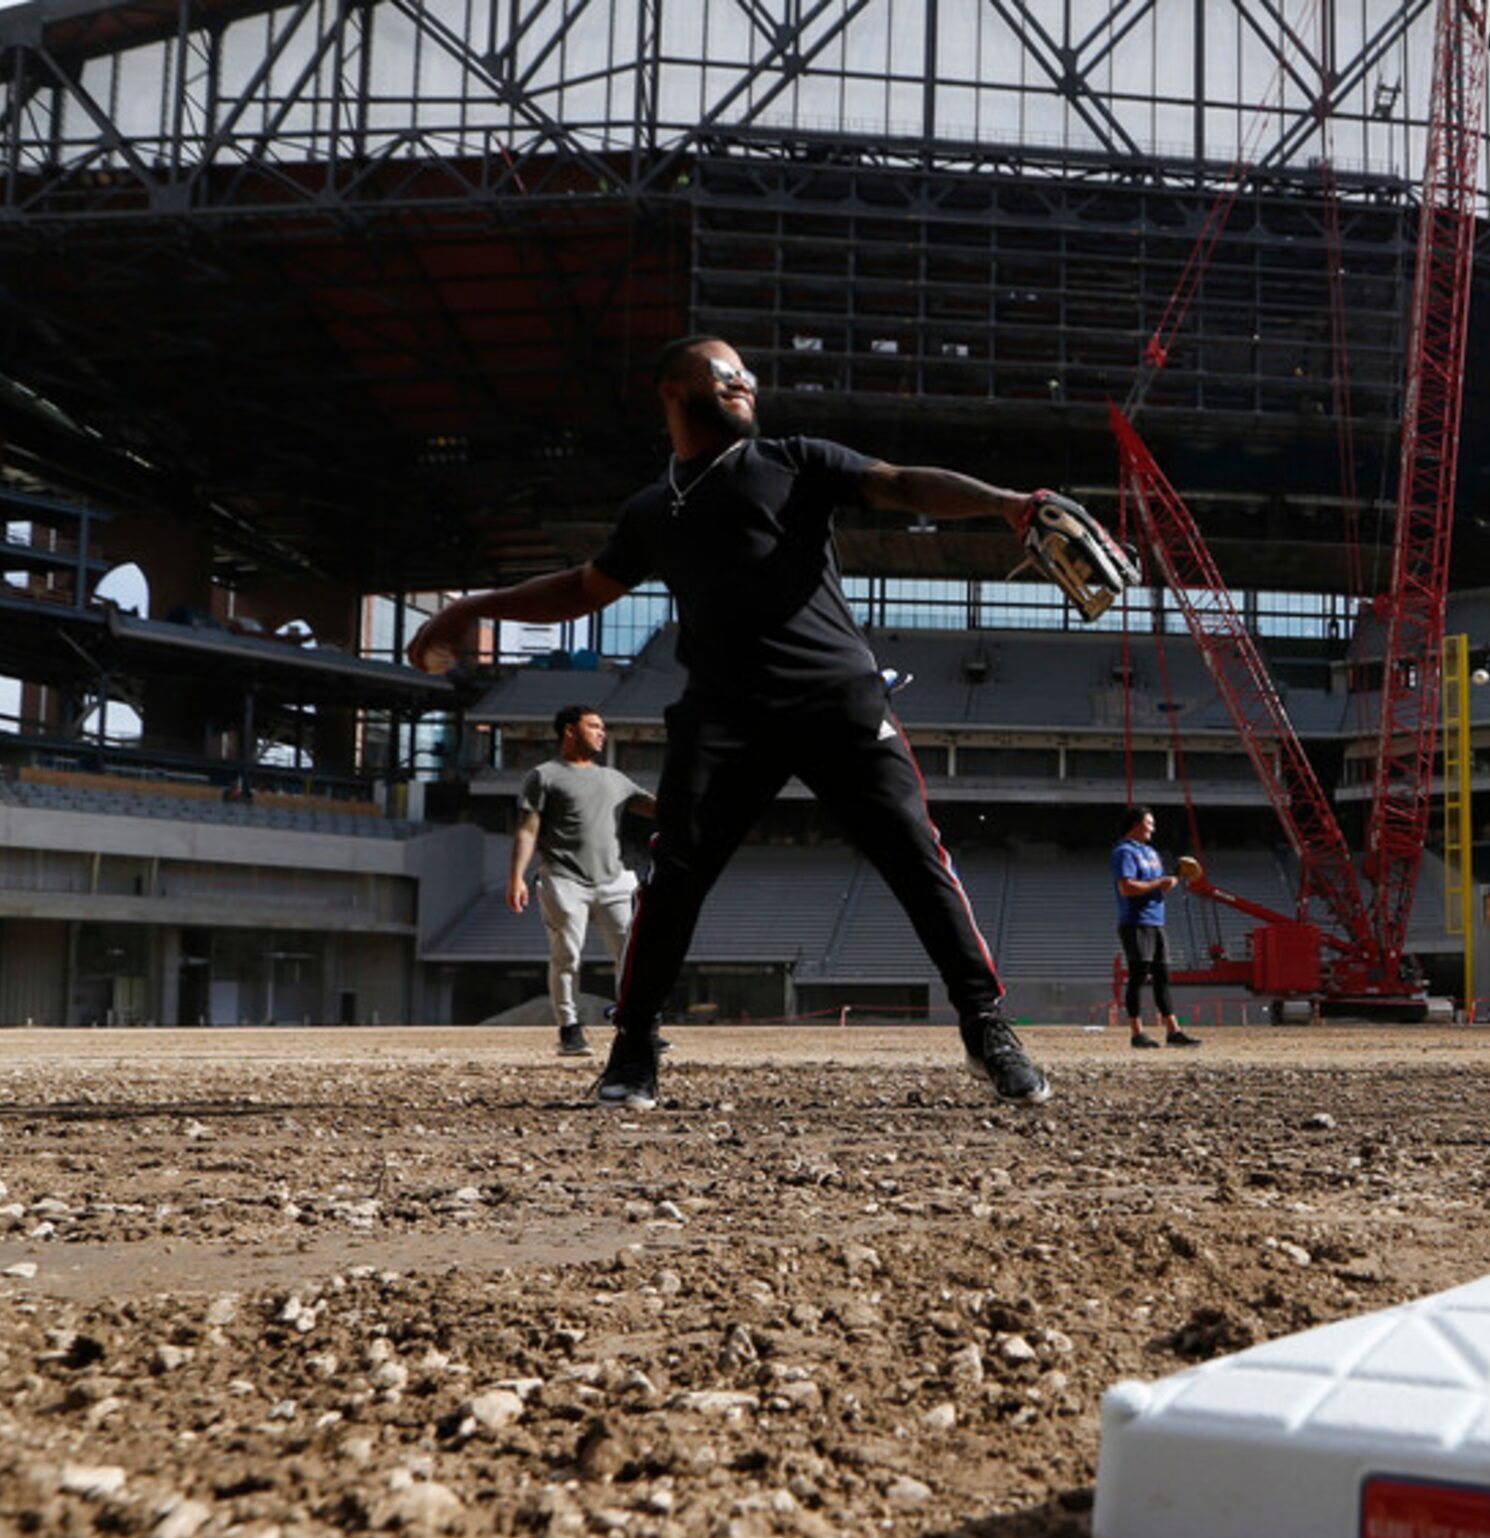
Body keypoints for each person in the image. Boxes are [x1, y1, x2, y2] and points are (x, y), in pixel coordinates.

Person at [407, 334, 1052, 1109]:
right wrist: (475, 606)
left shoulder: (794, 460)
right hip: (723, 713)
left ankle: (987, 1028)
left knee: (917, 859)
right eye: (728, 374)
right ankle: (633, 1047)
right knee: (675, 879)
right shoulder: (651, 508)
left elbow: (900, 483)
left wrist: (1006, 503)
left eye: (748, 375)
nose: (746, 383)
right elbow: (584, 588)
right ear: (675, 391)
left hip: (836, 700)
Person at [514, 705, 653, 1056]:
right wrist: (516, 877)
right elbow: (528, 831)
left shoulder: (616, 779)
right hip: (564, 879)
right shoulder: (544, 775)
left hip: (614, 881)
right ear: (569, 731)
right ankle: (569, 1030)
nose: (601, 732)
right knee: (567, 957)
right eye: (593, 726)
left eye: (603, 727)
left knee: (631, 956)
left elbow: (656, 809)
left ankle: (636, 1026)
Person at [1112, 807, 1199, 1049]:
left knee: (1163, 976)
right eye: (1149, 823)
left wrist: (1172, 878)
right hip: (1136, 921)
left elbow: (1153, 885)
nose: (1153, 827)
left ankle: (1173, 1031)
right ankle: (1137, 1033)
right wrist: (1160, 882)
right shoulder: (1124, 851)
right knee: (1138, 976)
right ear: (1135, 824)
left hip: (1156, 921)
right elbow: (1127, 888)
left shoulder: (1151, 852)